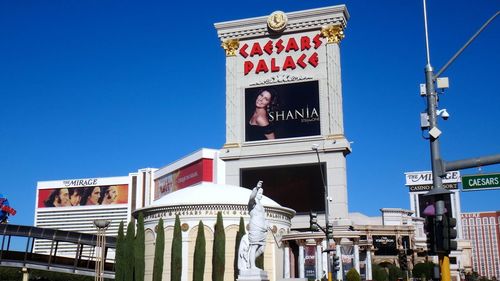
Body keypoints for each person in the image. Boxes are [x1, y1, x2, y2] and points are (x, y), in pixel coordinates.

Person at [247, 180, 267, 270]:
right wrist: (256, 188)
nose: (261, 195)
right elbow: (251, 197)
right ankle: (252, 266)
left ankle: (249, 261)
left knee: (262, 248)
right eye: (259, 193)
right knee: (254, 246)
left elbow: (263, 217)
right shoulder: (252, 204)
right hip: (255, 227)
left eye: (262, 193)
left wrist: (267, 224)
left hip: (262, 229)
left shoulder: (261, 206)